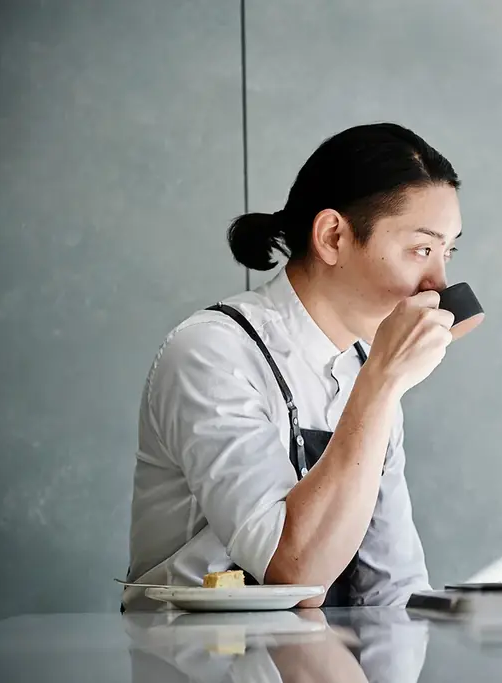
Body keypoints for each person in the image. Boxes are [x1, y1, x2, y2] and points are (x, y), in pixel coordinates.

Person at [122, 122, 462, 611]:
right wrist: (382, 385)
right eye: (421, 249)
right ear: (332, 236)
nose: (438, 283)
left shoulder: (367, 372)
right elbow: (294, 570)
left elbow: (393, 589)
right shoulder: (212, 352)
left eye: (448, 252)